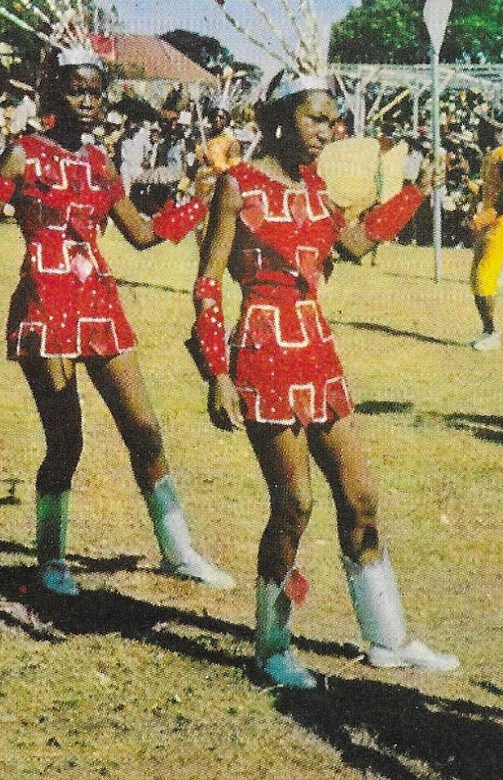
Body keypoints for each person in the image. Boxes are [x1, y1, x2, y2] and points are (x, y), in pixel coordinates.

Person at [0, 51, 232, 597]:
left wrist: (198, 203)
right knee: (66, 440)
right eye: (75, 91)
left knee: (145, 432)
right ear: (51, 93)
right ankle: (51, 558)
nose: (88, 102)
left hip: (100, 306)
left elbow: (140, 234)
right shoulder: (19, 157)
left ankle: (178, 551)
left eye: (96, 92)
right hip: (43, 306)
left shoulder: (101, 164)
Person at [194, 71, 457, 689]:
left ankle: (388, 639)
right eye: (315, 119)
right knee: (294, 505)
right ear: (282, 119)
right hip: (262, 353)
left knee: (360, 498)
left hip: (317, 350)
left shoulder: (317, 190)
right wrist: (217, 374)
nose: (326, 132)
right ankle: (272, 645)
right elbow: (207, 282)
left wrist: (417, 190)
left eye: (331, 121)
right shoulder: (238, 187)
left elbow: (359, 242)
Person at [467, 123, 503, 350]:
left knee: (483, 276)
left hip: (502, 220)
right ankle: (487, 331)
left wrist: (485, 217)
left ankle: (491, 332)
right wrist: (469, 184)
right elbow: (491, 191)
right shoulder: (493, 157)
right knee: (476, 276)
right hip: (494, 217)